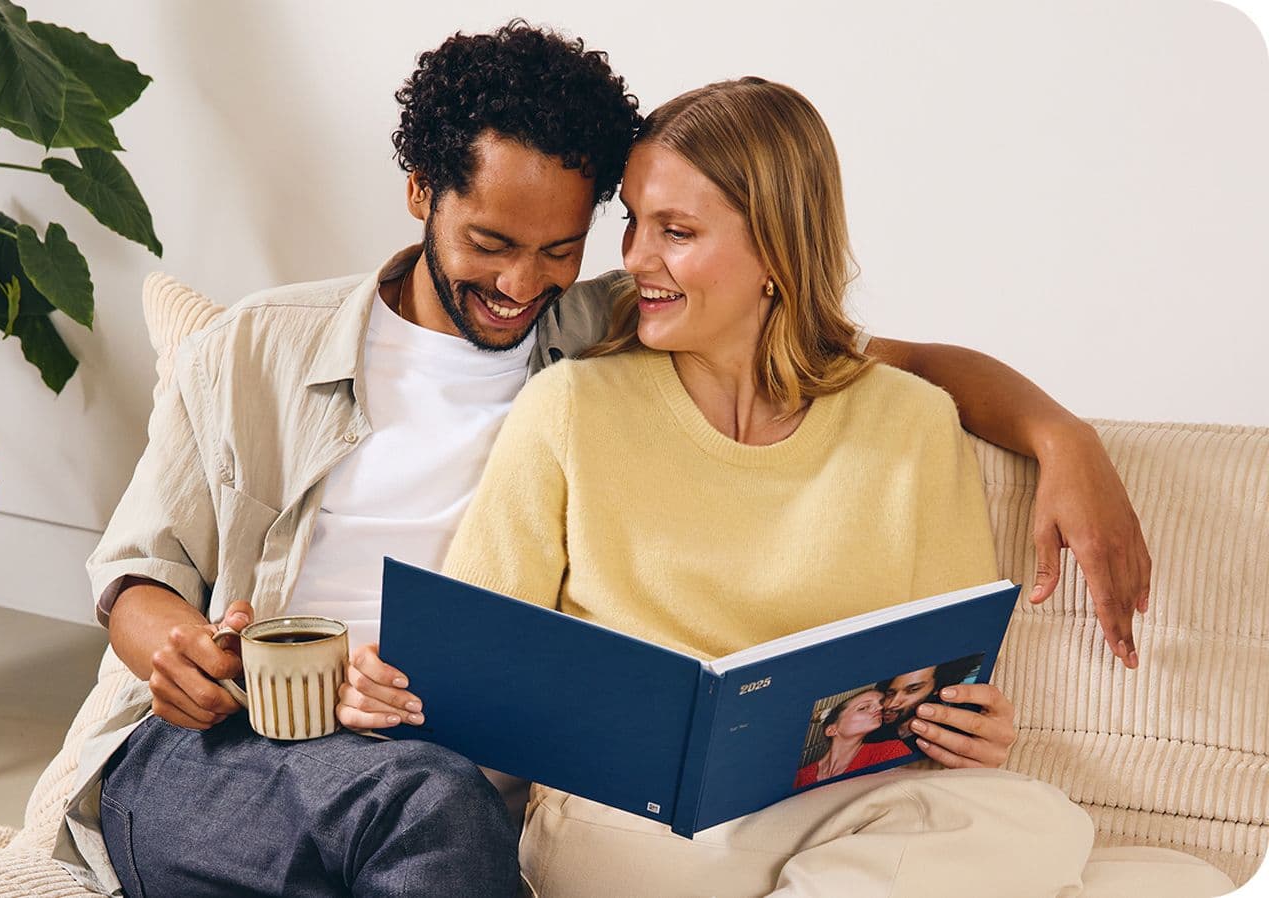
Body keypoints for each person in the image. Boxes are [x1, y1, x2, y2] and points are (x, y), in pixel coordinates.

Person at [63, 23, 1154, 898]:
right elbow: (133, 570)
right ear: (419, 194)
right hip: (243, 732)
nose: (521, 286)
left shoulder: (609, 324)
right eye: (490, 242)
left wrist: (1061, 436)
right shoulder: (258, 345)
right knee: (428, 815)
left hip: (430, 755)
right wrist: (191, 650)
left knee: (436, 811)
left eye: (560, 247)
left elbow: (852, 359)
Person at [342, 75, 1227, 897]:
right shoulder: (571, 407)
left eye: (677, 232)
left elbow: (938, 686)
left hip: (830, 815)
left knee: (1034, 816)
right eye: (634, 224)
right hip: (628, 827)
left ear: (776, 251)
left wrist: (969, 732)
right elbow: (467, 663)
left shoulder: (912, 424)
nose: (636, 259)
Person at [793, 688, 912, 788]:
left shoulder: (890, 752)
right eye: (863, 707)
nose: (880, 708)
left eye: (880, 705)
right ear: (832, 730)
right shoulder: (800, 777)